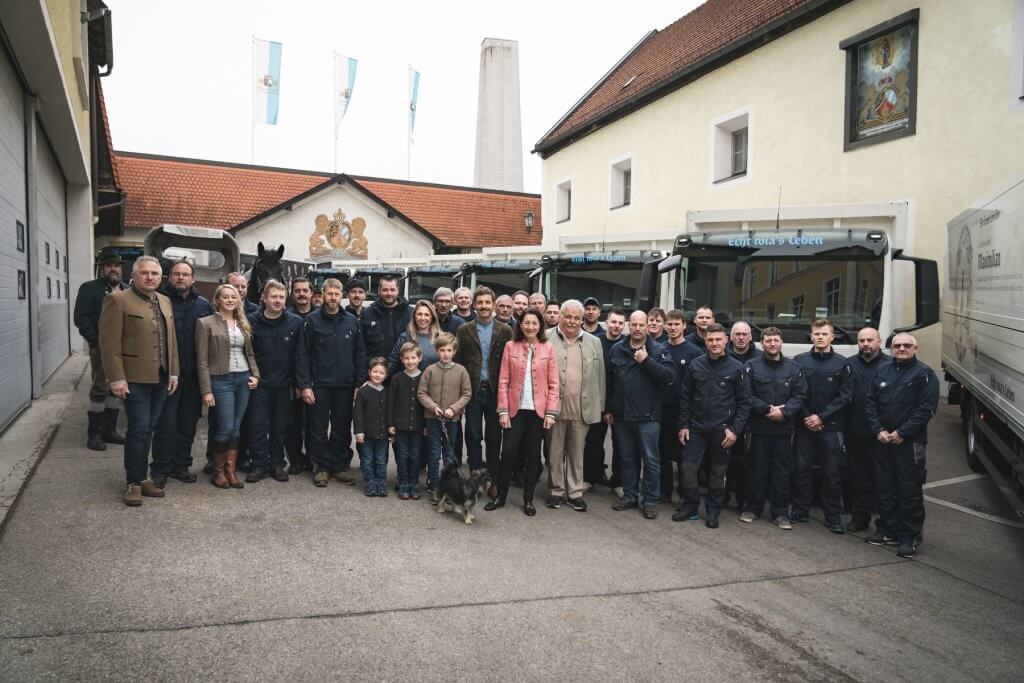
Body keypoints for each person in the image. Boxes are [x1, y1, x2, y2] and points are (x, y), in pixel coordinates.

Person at [99, 256, 179, 506]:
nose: (150, 277)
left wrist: (174, 371)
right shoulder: (117, 300)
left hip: (162, 377)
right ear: (134, 275)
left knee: (150, 429)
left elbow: (171, 339)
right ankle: (133, 482)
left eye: (155, 273)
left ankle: (143, 477)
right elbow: (108, 344)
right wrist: (116, 378)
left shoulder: (165, 301)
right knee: (139, 429)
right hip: (134, 378)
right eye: (144, 273)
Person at [865, 332, 938, 558]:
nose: (902, 348)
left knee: (909, 491)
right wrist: (878, 430)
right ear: (891, 349)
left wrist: (901, 433)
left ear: (915, 348)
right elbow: (870, 403)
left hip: (909, 443)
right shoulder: (882, 370)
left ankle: (910, 537)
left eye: (907, 345)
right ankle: (888, 530)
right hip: (883, 440)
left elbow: (926, 410)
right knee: (885, 488)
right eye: (897, 345)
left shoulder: (924, 375)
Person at [675, 323, 750, 528]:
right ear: (705, 341)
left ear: (726, 340)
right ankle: (690, 506)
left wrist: (735, 430)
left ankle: (713, 511)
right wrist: (683, 425)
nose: (714, 343)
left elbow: (744, 402)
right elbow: (685, 398)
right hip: (696, 428)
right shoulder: (696, 365)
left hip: (723, 430)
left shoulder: (737, 368)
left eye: (718, 339)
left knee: (718, 474)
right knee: (688, 468)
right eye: (710, 340)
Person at [295, 278, 368, 487]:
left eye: (337, 294)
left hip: (345, 385)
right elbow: (302, 355)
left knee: (341, 428)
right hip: (319, 385)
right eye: (329, 293)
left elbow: (360, 354)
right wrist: (305, 385)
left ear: (342, 295)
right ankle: (322, 468)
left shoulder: (352, 321)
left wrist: (358, 383)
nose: (333, 298)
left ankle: (339, 466)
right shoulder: (311, 321)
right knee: (317, 428)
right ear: (322, 295)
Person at [488, 308, 559, 516]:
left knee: (533, 457)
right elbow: (503, 381)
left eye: (534, 323)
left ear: (540, 325)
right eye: (526, 323)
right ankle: (500, 496)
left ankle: (528, 500)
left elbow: (554, 384)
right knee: (507, 453)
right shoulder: (511, 346)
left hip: (537, 412)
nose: (530, 326)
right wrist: (502, 411)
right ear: (520, 325)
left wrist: (551, 412)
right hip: (514, 410)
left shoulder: (548, 348)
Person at [607, 311, 676, 519]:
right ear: (629, 326)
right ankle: (629, 496)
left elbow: (670, 377)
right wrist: (609, 408)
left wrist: (646, 361)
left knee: (651, 460)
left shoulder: (659, 350)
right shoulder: (617, 349)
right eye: (634, 324)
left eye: (641, 324)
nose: (637, 328)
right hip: (622, 416)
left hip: (648, 417)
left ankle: (649, 501)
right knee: (627, 458)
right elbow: (610, 382)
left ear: (648, 326)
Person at [151, 259, 213, 487]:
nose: (180, 278)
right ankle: (160, 469)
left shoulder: (204, 305)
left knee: (188, 423)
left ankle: (181, 466)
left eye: (185, 274)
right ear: (169, 277)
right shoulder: (159, 301)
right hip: (168, 376)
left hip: (194, 377)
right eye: (176, 274)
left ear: (193, 279)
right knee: (166, 424)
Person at [739, 327, 806, 529]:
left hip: (784, 430)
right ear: (762, 343)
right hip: (759, 427)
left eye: (776, 340)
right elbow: (746, 394)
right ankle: (752, 508)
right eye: (768, 341)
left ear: (781, 342)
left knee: (782, 473)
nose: (772, 344)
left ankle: (780, 513)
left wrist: (784, 412)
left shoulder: (793, 367)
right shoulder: (752, 366)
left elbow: (800, 395)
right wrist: (766, 409)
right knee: (756, 470)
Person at [196, 284, 260, 490]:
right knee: (224, 427)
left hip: (243, 379)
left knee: (235, 427)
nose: (231, 300)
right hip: (220, 380)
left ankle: (230, 470)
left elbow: (250, 353)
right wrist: (206, 390)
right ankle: (218, 471)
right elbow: (202, 360)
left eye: (234, 296)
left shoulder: (243, 323)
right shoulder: (205, 323)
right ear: (217, 300)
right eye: (226, 296)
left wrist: (256, 376)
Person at [793, 319, 853, 533]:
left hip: (831, 427)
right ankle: (800, 510)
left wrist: (822, 418)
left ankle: (833, 516)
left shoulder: (842, 363)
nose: (820, 337)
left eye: (824, 334)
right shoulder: (799, 361)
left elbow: (845, 397)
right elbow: (795, 393)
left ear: (832, 336)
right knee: (801, 469)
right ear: (811, 336)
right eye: (816, 333)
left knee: (832, 473)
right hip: (804, 425)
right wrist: (808, 417)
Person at [455, 286, 514, 492]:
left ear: (494, 304)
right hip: (473, 390)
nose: (484, 306)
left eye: (487, 302)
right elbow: (458, 363)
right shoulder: (464, 329)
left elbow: (511, 363)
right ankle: (476, 476)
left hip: (496, 390)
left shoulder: (506, 330)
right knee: (473, 435)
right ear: (474, 304)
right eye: (480, 302)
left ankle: (493, 478)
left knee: (494, 437)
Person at [245, 280, 303, 483]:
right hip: (259, 384)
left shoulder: (295, 322)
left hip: (284, 385)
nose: (278, 300)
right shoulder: (250, 321)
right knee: (257, 425)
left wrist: (299, 383)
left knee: (280, 426)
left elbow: (300, 355)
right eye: (274, 296)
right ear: (264, 298)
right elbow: (246, 352)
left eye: (281, 297)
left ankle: (277, 464)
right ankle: (259, 464)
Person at [74, 252, 126, 451]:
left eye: (117, 266)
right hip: (102, 348)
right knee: (101, 387)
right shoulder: (90, 288)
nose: (114, 269)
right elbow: (81, 318)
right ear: (101, 268)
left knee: (117, 388)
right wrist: (96, 342)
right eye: (109, 265)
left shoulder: (126, 289)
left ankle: (109, 431)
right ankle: (94, 433)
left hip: (124, 350)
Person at [418, 333, 472, 504]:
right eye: (442, 350)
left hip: (452, 420)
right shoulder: (430, 370)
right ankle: (434, 486)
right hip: (433, 419)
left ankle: (450, 487)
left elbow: (466, 393)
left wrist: (453, 409)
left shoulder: (461, 371)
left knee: (449, 455)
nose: (446, 354)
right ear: (437, 351)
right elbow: (421, 393)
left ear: (454, 351)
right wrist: (433, 407)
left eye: (449, 350)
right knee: (434, 454)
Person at [845, 327, 890, 532]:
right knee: (859, 478)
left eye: (870, 340)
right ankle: (860, 518)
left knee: (883, 479)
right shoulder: (850, 365)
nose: (865, 344)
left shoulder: (890, 365)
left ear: (879, 341)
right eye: (862, 340)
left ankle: (884, 523)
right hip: (855, 432)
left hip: (880, 433)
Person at [659, 309, 703, 503]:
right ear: (665, 326)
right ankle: (664, 492)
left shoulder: (695, 352)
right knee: (663, 453)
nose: (673, 327)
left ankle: (685, 496)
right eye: (670, 324)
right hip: (662, 410)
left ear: (685, 325)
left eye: (677, 324)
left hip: (685, 412)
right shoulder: (659, 348)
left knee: (685, 457)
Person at [583, 308, 626, 490]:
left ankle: (617, 482)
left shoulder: (626, 344)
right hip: (597, 401)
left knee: (620, 445)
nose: (616, 326)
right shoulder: (595, 341)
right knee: (593, 443)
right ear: (606, 322)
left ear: (624, 326)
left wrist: (612, 408)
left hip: (620, 405)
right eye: (613, 322)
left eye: (620, 323)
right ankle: (589, 479)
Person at [724, 320, 757, 510]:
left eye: (745, 334)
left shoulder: (759, 358)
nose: (741, 338)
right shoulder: (722, 355)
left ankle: (744, 501)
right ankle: (723, 496)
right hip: (726, 417)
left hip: (752, 418)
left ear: (750, 337)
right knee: (723, 462)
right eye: (737, 334)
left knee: (748, 463)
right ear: (731, 337)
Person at [388, 342, 426, 500]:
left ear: (420, 358)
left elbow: (426, 402)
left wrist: (426, 425)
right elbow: (390, 403)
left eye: (413, 358)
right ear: (402, 360)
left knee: (415, 455)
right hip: (400, 426)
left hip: (418, 426)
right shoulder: (397, 378)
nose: (410, 361)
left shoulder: (424, 377)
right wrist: (390, 424)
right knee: (402, 455)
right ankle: (403, 483)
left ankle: (413, 483)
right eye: (407, 358)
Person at [285, 277, 315, 475]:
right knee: (293, 424)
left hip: (317, 378)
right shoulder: (286, 317)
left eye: (305, 290)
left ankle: (313, 459)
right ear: (293, 293)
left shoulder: (318, 316)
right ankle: (295, 459)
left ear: (312, 293)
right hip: (292, 379)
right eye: (298, 291)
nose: (302, 294)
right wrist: (297, 382)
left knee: (314, 424)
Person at [354, 358, 391, 496]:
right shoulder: (363, 392)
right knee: (367, 459)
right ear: (369, 372)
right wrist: (359, 432)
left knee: (381, 459)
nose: (378, 375)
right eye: (375, 371)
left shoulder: (387, 392)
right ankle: (370, 482)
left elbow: (389, 413)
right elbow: (357, 414)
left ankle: (381, 483)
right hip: (366, 434)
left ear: (386, 375)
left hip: (382, 434)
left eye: (381, 373)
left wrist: (391, 432)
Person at [363, 275, 413, 359]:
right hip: (376, 368)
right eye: (385, 290)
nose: (389, 293)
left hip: (403, 367)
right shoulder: (367, 313)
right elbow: (361, 346)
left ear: (398, 290)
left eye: (392, 290)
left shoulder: (410, 313)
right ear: (379, 291)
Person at [387, 300, 441, 376]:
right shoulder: (405, 337)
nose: (423, 318)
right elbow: (393, 362)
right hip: (409, 384)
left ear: (432, 317)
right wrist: (375, 379)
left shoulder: (440, 338)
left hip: (433, 384)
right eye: (419, 314)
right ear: (414, 316)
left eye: (427, 315)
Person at [346, 278, 384, 359]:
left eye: (360, 292)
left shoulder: (373, 316)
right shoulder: (342, 317)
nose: (357, 295)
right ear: (347, 294)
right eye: (353, 292)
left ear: (365, 295)